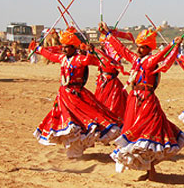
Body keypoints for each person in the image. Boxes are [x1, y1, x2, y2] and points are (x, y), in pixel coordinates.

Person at [99, 22, 184, 180]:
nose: (138, 49)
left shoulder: (150, 61)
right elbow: (121, 49)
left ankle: (151, 171)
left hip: (147, 101)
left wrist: (173, 45)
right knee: (135, 133)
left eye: (142, 47)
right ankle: (147, 169)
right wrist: (107, 35)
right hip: (134, 101)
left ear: (149, 48)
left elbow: (161, 56)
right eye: (138, 46)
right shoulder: (136, 60)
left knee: (149, 135)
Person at [32, 27, 121, 158]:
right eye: (63, 47)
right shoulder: (63, 58)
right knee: (67, 121)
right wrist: (38, 49)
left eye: (67, 47)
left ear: (74, 47)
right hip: (63, 95)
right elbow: (51, 55)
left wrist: (90, 52)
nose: (64, 49)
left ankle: (77, 149)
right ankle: (73, 149)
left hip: (76, 95)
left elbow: (88, 61)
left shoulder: (79, 59)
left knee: (83, 119)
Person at [94, 29, 134, 120]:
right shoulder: (103, 56)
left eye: (103, 43)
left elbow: (113, 62)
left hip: (112, 84)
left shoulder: (113, 56)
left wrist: (96, 50)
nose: (101, 45)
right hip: (102, 83)